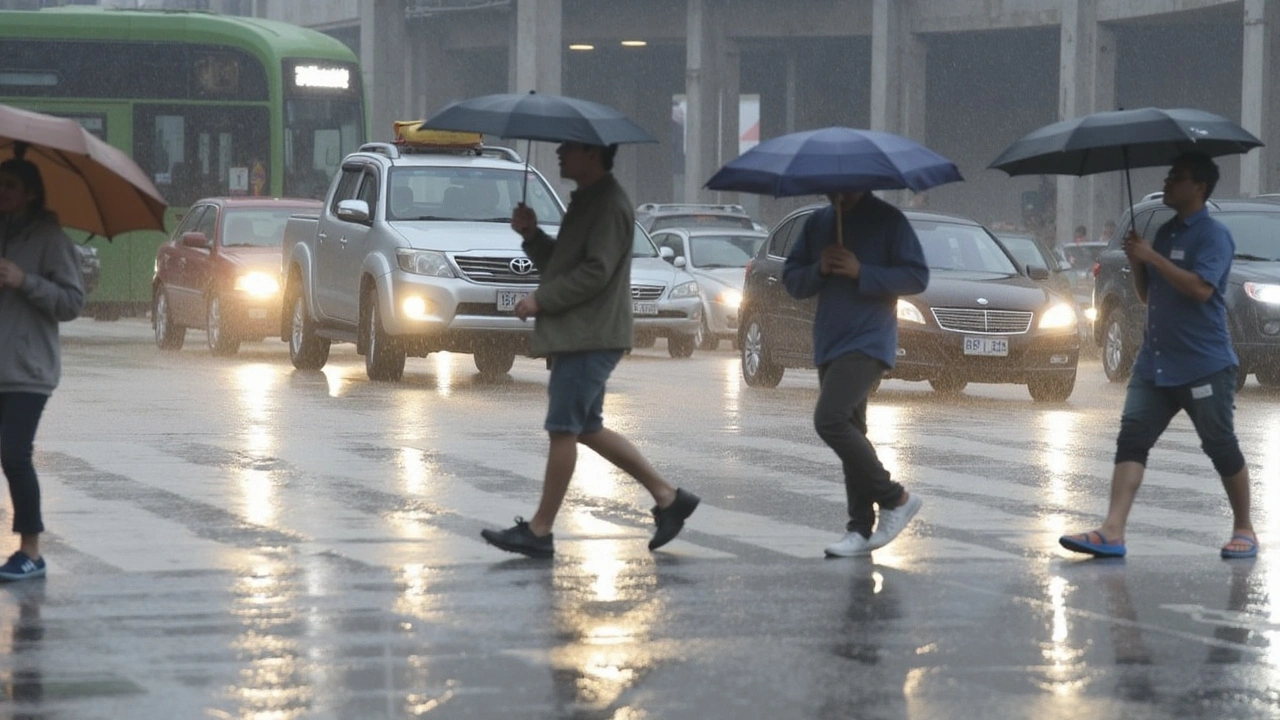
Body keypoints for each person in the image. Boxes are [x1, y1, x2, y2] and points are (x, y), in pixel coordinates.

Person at [479, 141, 699, 558]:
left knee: (563, 428)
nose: (559, 153)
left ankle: (540, 530)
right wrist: (531, 235)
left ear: (594, 154)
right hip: (583, 333)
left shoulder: (609, 204)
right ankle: (669, 497)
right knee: (586, 428)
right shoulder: (587, 201)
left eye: (569, 148)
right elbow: (562, 264)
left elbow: (595, 273)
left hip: (590, 335)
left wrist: (542, 300)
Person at [1060, 152, 1256, 560]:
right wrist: (1138, 263)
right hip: (1154, 362)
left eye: (1176, 178)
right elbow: (1148, 295)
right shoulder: (1165, 233)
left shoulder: (1213, 236)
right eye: (1167, 176)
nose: (1167, 183)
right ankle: (1113, 530)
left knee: (1220, 444)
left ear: (1198, 187)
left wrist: (1152, 258)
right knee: (1132, 438)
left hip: (1204, 362)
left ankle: (1244, 527)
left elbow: (1202, 289)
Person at [783, 191, 929, 557]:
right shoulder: (819, 222)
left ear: (864, 183)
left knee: (829, 420)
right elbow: (792, 280)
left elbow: (916, 276)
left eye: (847, 189)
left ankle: (895, 498)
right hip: (829, 339)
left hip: (869, 339)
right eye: (832, 191)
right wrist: (819, 268)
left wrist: (861, 271)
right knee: (852, 430)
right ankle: (859, 529)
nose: (839, 197)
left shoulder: (888, 220)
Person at [0, 156, 86, 581]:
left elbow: (72, 301)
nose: (2, 193)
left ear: (31, 193)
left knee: (15, 454)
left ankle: (30, 551)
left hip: (28, 370)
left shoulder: (49, 237)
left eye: (10, 186)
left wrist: (23, 281)